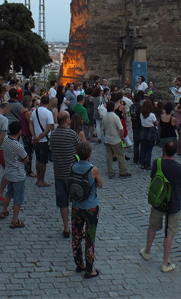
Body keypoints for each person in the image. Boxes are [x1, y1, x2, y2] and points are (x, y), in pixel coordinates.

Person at [140, 140, 181, 273]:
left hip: (159, 201)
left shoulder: (157, 163)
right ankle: (165, 262)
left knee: (153, 226)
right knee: (169, 232)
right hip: (174, 203)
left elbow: (153, 178)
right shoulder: (180, 168)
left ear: (164, 151)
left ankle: (147, 251)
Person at [71, 141, 103, 279]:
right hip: (90, 207)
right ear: (89, 154)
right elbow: (100, 184)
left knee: (76, 235)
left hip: (76, 205)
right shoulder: (93, 169)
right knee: (90, 238)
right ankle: (90, 269)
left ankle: (79, 264)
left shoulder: (72, 167)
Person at [51, 111, 82, 237]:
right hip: (71, 172)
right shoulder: (71, 134)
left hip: (58, 172)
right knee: (77, 198)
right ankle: (77, 226)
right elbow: (80, 148)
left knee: (63, 202)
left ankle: (66, 227)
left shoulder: (53, 135)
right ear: (67, 120)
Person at [0, 120, 30, 227]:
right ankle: (15, 220)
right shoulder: (18, 146)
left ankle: (4, 210)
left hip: (8, 172)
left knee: (9, 193)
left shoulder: (6, 140)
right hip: (18, 174)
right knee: (18, 198)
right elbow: (26, 159)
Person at [30, 94, 54, 188]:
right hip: (44, 140)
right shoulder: (48, 113)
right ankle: (42, 180)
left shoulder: (34, 111)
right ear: (48, 102)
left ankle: (38, 179)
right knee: (43, 161)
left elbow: (30, 124)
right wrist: (40, 137)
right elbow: (48, 128)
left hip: (36, 139)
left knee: (38, 159)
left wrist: (34, 135)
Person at [103, 101, 130, 179]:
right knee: (120, 156)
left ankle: (110, 172)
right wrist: (122, 137)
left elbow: (103, 129)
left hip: (108, 138)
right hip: (115, 139)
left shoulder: (105, 116)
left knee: (109, 156)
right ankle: (123, 172)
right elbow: (121, 129)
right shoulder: (115, 117)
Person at [17, 95, 36, 177]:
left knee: (26, 150)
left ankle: (26, 168)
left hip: (23, 132)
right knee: (29, 152)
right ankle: (28, 170)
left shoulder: (21, 110)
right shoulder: (27, 113)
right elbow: (31, 123)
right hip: (28, 133)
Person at [139, 99, 158, 170]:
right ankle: (148, 164)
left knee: (143, 149)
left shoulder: (141, 114)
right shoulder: (152, 115)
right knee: (149, 150)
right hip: (151, 133)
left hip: (143, 132)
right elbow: (155, 123)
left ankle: (142, 163)